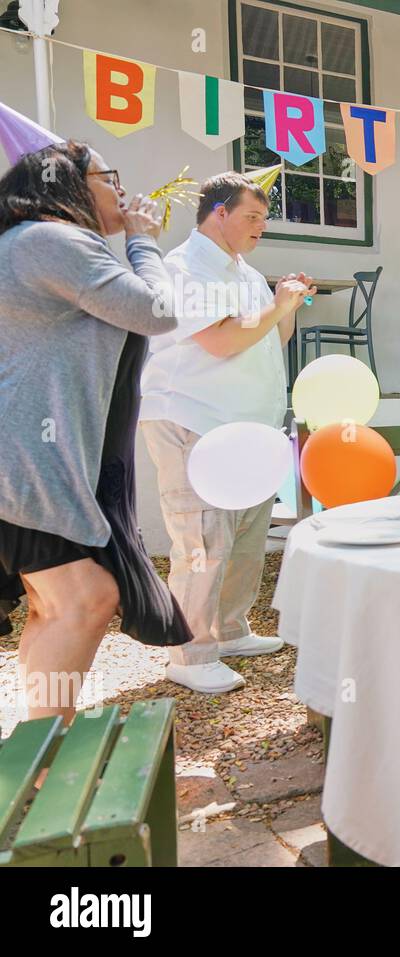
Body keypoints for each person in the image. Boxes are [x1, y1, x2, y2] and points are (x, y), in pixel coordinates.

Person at [0, 141, 188, 722]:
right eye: (111, 177)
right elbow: (158, 309)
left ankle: (42, 737)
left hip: (37, 456)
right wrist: (142, 240)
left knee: (53, 606)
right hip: (31, 458)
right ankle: (44, 752)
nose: (123, 191)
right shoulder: (53, 240)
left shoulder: (28, 243)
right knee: (86, 599)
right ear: (72, 186)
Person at [139, 173, 314, 694]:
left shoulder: (246, 272)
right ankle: (189, 655)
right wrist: (277, 306)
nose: (261, 227)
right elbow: (219, 342)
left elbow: (266, 339)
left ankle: (231, 630)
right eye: (252, 217)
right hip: (195, 419)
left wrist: (288, 306)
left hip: (246, 426)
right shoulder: (185, 268)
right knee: (202, 539)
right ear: (218, 212)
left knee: (244, 538)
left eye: (264, 218)